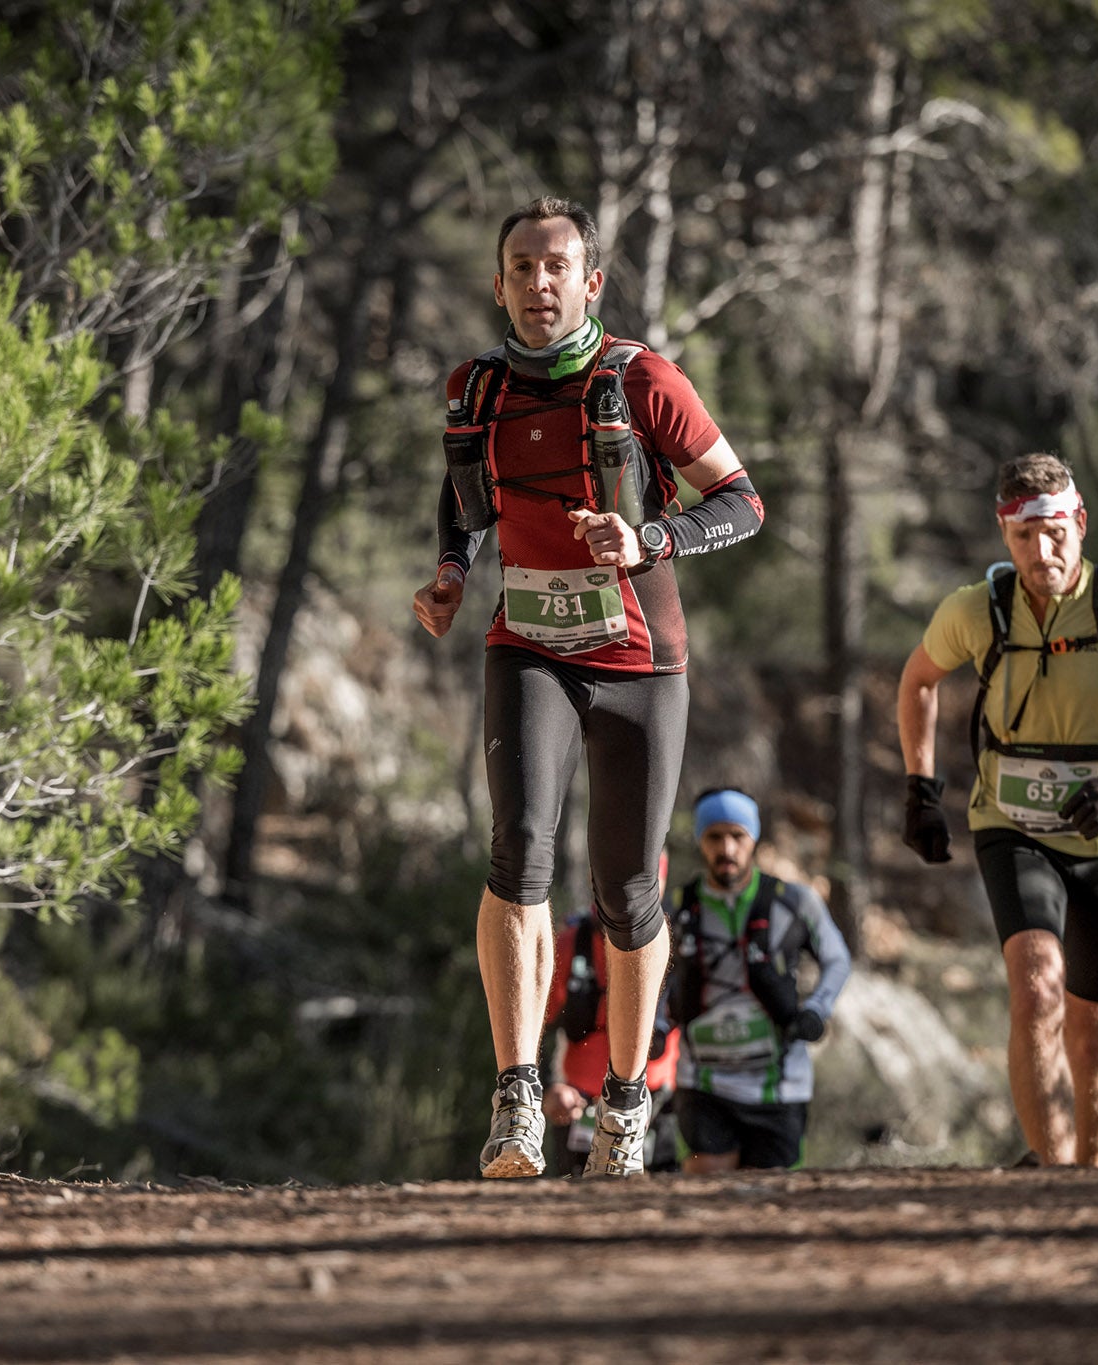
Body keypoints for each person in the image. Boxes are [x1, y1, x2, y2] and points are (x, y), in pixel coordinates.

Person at [412, 197, 766, 1178]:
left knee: (625, 889)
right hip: (525, 646)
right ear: (498, 284)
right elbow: (461, 498)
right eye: (520, 268)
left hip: (640, 667)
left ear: (590, 282)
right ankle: (516, 1097)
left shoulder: (641, 379)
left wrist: (651, 536)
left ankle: (623, 1096)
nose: (537, 284)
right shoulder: (474, 389)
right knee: (517, 853)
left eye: (555, 266)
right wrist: (450, 570)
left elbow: (742, 502)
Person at [897, 454, 1098, 1166]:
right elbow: (919, 680)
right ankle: (1052, 1174)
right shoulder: (977, 608)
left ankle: (1090, 1171)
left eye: (1053, 531)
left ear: (1079, 522)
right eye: (1022, 538)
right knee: (1036, 988)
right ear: (1003, 537)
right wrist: (921, 787)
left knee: (1091, 1031)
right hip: (1012, 827)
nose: (1041, 551)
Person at [669, 788, 850, 1171]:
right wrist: (654, 1022)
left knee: (774, 1206)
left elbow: (837, 959)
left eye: (738, 836)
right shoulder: (678, 907)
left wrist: (817, 1008)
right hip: (703, 1082)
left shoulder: (796, 902)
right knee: (706, 1202)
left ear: (754, 839)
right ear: (700, 840)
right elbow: (653, 977)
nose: (727, 849)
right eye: (714, 837)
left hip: (780, 1085)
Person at [542, 869, 682, 1175]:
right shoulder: (569, 944)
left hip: (656, 1103)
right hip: (578, 1104)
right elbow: (540, 1024)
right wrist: (548, 1089)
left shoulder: (674, 941)